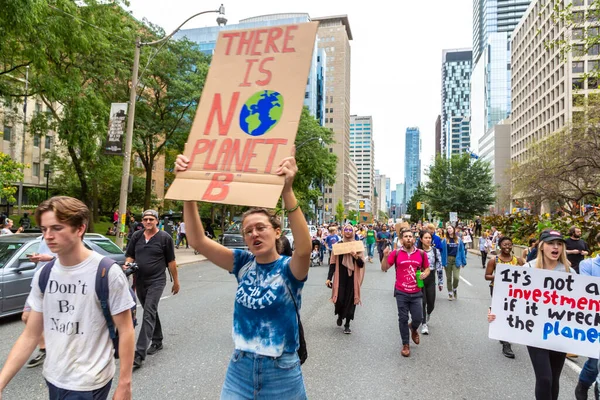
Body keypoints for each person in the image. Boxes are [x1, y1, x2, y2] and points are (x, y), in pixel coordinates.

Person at [176, 152, 311, 399]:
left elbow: (304, 248)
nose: (254, 234)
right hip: (240, 369)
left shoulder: (290, 269)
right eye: (248, 231)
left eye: (261, 228)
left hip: (282, 372)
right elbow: (197, 240)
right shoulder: (242, 263)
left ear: (277, 231)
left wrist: (287, 190)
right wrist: (188, 190)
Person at [0, 196, 135, 399]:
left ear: (79, 229)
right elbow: (30, 335)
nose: (48, 236)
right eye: (44, 229)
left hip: (89, 382)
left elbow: (126, 330)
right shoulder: (44, 274)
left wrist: (125, 384)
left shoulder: (106, 272)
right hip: (54, 377)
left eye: (56, 228)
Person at [521, 229, 573, 400]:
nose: (555, 247)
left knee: (554, 379)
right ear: (542, 246)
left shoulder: (569, 273)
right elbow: (511, 299)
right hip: (535, 332)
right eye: (551, 243)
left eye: (559, 244)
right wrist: (495, 313)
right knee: (544, 378)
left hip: (559, 332)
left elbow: (580, 305)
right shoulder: (527, 268)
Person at [125, 209, 179, 369]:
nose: (148, 222)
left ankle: (139, 354)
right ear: (142, 221)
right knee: (151, 311)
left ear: (157, 221)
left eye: (151, 219)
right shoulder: (136, 236)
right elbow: (129, 255)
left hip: (157, 281)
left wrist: (176, 281)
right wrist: (127, 266)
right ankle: (158, 340)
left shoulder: (165, 238)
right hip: (139, 280)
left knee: (148, 312)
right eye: (145, 219)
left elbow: (171, 262)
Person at [381, 229, 430, 357]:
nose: (408, 238)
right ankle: (405, 344)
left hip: (416, 291)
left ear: (414, 239)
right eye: (406, 237)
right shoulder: (396, 253)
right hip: (401, 291)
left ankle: (413, 328)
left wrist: (425, 273)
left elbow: (427, 268)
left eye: (410, 236)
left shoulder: (421, 253)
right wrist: (385, 256)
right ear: (401, 240)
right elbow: (384, 268)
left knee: (418, 318)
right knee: (402, 318)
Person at [484, 236, 524, 359]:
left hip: (513, 291)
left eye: (509, 244)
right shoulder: (494, 260)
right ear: (500, 246)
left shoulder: (519, 261)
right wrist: (501, 276)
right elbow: (487, 276)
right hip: (497, 290)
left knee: (511, 314)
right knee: (501, 313)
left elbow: (525, 275)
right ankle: (506, 344)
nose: (507, 247)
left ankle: (505, 335)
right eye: (505, 245)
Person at [21, 238, 56, 369]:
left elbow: (70, 259)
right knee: (26, 317)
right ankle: (44, 348)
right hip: (37, 282)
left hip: (54, 283)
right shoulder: (40, 238)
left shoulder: (61, 235)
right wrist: (36, 257)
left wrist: (51, 258)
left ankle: (55, 350)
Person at [326, 224, 365, 334]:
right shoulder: (338, 246)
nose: (348, 232)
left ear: (353, 232)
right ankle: (339, 315)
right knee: (339, 299)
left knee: (351, 300)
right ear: (342, 232)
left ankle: (347, 324)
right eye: (346, 230)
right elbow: (333, 263)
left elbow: (361, 264)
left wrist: (355, 256)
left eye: (350, 230)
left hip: (353, 277)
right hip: (340, 277)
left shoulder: (357, 246)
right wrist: (329, 278)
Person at [575, 232, 600, 400]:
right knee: (593, 363)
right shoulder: (588, 265)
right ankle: (583, 385)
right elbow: (587, 294)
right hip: (596, 322)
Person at [416, 230, 443, 335]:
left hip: (431, 277)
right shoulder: (417, 251)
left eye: (429, 238)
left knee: (431, 302)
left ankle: (428, 313)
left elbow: (439, 267)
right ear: (421, 239)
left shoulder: (435, 251)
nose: (428, 240)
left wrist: (441, 282)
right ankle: (423, 323)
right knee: (423, 301)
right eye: (426, 238)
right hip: (420, 277)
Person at [441, 226, 467, 300]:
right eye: (448, 228)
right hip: (448, 260)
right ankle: (450, 293)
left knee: (456, 278)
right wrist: (442, 263)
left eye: (450, 228)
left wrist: (463, 262)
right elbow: (442, 252)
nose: (449, 230)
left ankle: (454, 288)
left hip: (456, 260)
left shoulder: (458, 240)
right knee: (448, 278)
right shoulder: (445, 240)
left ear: (454, 230)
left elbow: (462, 251)